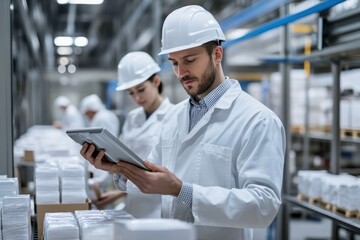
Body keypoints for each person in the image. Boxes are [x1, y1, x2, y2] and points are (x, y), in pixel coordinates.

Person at [81, 5, 285, 240]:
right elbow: (153, 176)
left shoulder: (257, 120)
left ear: (217, 54)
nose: (181, 72)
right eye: (175, 63)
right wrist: (118, 169)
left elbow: (263, 206)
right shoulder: (173, 117)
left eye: (189, 60)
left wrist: (182, 191)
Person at [92, 51, 174, 217]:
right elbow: (121, 157)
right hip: (132, 203)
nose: (136, 97)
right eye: (131, 92)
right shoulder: (132, 117)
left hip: (157, 209)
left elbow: (171, 174)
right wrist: (103, 180)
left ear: (156, 82)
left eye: (141, 89)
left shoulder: (174, 116)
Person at [80, 94, 120, 196]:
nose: (86, 116)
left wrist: (101, 180)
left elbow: (107, 149)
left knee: (102, 200)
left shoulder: (102, 118)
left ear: (90, 110)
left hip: (104, 169)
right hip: (104, 169)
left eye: (86, 113)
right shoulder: (103, 116)